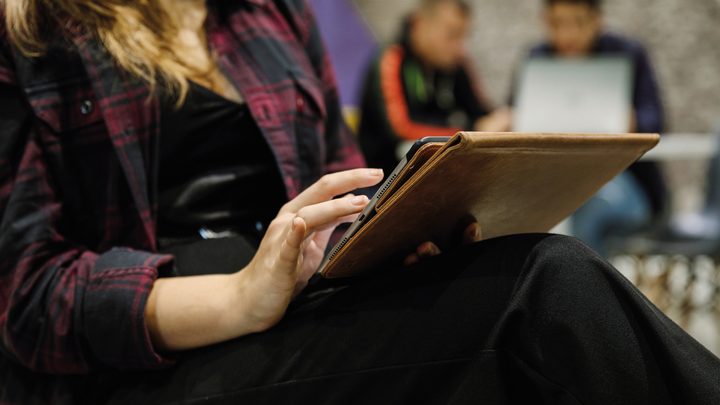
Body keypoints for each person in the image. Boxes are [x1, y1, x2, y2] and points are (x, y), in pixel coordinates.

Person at [0, 0, 718, 404]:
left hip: (301, 303)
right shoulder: (35, 30)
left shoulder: (268, 13)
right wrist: (241, 296)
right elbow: (28, 295)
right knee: (541, 288)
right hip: (154, 358)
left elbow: (343, 180)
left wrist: (397, 227)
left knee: (525, 273)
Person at [517, 0, 668, 256]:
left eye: (578, 22)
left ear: (597, 20)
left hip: (620, 178)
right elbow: (518, 118)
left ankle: (583, 288)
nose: (568, 34)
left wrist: (630, 122)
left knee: (591, 199)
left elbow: (654, 120)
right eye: (557, 24)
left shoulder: (628, 53)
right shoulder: (536, 57)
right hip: (552, 176)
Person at [357, 0, 511, 176]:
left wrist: (501, 120)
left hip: (435, 173)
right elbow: (401, 128)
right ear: (420, 24)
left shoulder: (456, 61)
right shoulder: (392, 59)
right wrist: (471, 131)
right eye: (452, 34)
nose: (459, 46)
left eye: (464, 36)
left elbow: (481, 110)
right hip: (383, 179)